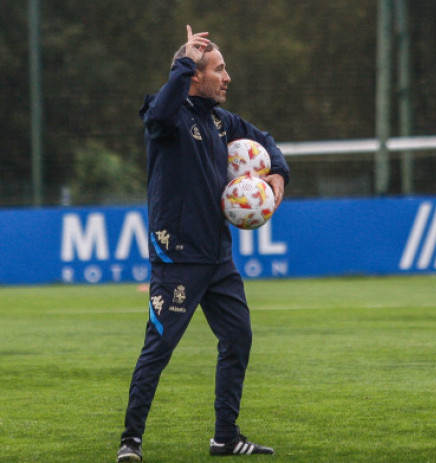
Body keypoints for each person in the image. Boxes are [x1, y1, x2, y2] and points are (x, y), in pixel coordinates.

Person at [117, 26, 289, 462]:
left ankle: (225, 438)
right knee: (158, 348)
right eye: (219, 68)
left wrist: (277, 175)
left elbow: (265, 140)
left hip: (217, 256)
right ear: (195, 74)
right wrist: (184, 62)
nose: (228, 77)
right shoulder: (167, 115)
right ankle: (130, 442)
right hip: (178, 257)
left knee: (238, 338)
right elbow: (157, 115)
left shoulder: (218, 120)